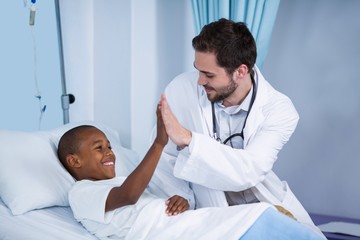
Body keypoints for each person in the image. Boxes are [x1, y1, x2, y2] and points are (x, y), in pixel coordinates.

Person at [149, 18, 325, 238]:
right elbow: (164, 159)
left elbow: (248, 171)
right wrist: (181, 194)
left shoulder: (279, 110)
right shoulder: (180, 90)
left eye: (210, 75)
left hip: (264, 204)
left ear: (241, 71)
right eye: (198, 71)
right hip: (214, 208)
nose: (200, 82)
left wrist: (189, 140)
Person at [57, 104, 323, 240]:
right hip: (162, 235)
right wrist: (159, 143)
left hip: (183, 224)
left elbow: (138, 198)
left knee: (259, 215)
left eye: (109, 146)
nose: (110, 152)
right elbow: (127, 197)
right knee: (257, 217)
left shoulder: (122, 182)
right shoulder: (81, 193)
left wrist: (178, 201)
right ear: (74, 160)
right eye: (98, 148)